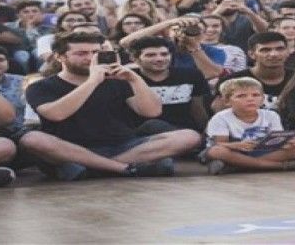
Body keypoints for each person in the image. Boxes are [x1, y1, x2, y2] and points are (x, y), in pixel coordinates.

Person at [20, 33, 201, 180]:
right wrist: (92, 81)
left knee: (189, 136)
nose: (90, 58)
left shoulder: (117, 80)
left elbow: (152, 111)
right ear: (60, 57)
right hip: (71, 149)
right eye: (82, 53)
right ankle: (123, 168)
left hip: (122, 145)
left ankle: (98, 168)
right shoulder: (41, 86)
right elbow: (56, 114)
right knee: (32, 139)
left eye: (95, 52)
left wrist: (135, 79)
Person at [201, 77, 295, 175]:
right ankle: (280, 166)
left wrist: (285, 144)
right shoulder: (221, 117)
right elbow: (219, 143)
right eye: (241, 96)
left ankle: (237, 165)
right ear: (227, 101)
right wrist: (236, 145)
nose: (250, 99)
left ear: (262, 99)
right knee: (216, 151)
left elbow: (277, 138)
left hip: (261, 151)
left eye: (255, 95)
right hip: (235, 150)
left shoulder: (271, 115)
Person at [129, 37, 210, 133]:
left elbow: (198, 109)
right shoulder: (128, 79)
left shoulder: (191, 75)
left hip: (185, 132)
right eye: (150, 55)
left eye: (164, 54)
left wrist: (205, 132)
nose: (159, 59)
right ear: (135, 59)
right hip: (143, 134)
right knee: (154, 124)